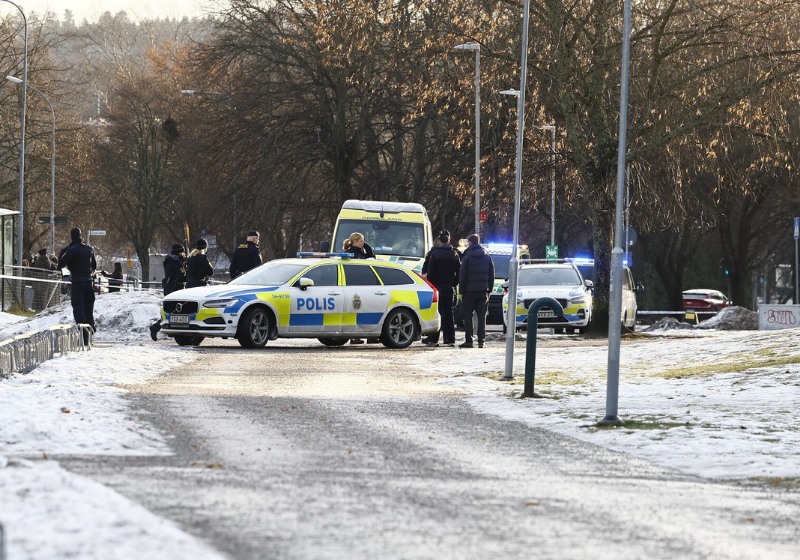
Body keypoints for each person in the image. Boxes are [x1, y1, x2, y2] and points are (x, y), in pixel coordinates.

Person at [58, 227, 97, 343]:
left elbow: (61, 263)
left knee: (78, 308)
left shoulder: (72, 250)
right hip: (89, 282)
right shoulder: (89, 249)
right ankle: (89, 333)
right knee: (88, 309)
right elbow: (94, 266)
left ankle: (84, 334)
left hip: (78, 282)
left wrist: (62, 252)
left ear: (72, 236)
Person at [423, 231, 461, 347]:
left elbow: (430, 272)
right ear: (448, 240)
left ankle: (434, 339)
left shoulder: (435, 254)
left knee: (437, 313)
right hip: (449, 287)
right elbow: (459, 272)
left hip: (437, 287)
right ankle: (451, 339)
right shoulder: (454, 254)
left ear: (439, 241)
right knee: (449, 314)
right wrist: (454, 283)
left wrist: (432, 284)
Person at [458, 234, 494, 349]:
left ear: (470, 242)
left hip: (469, 291)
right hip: (483, 291)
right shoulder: (487, 257)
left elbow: (462, 275)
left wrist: (461, 290)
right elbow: (492, 275)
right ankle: (481, 341)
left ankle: (469, 340)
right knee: (481, 316)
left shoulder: (467, 257)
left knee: (468, 316)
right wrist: (489, 290)